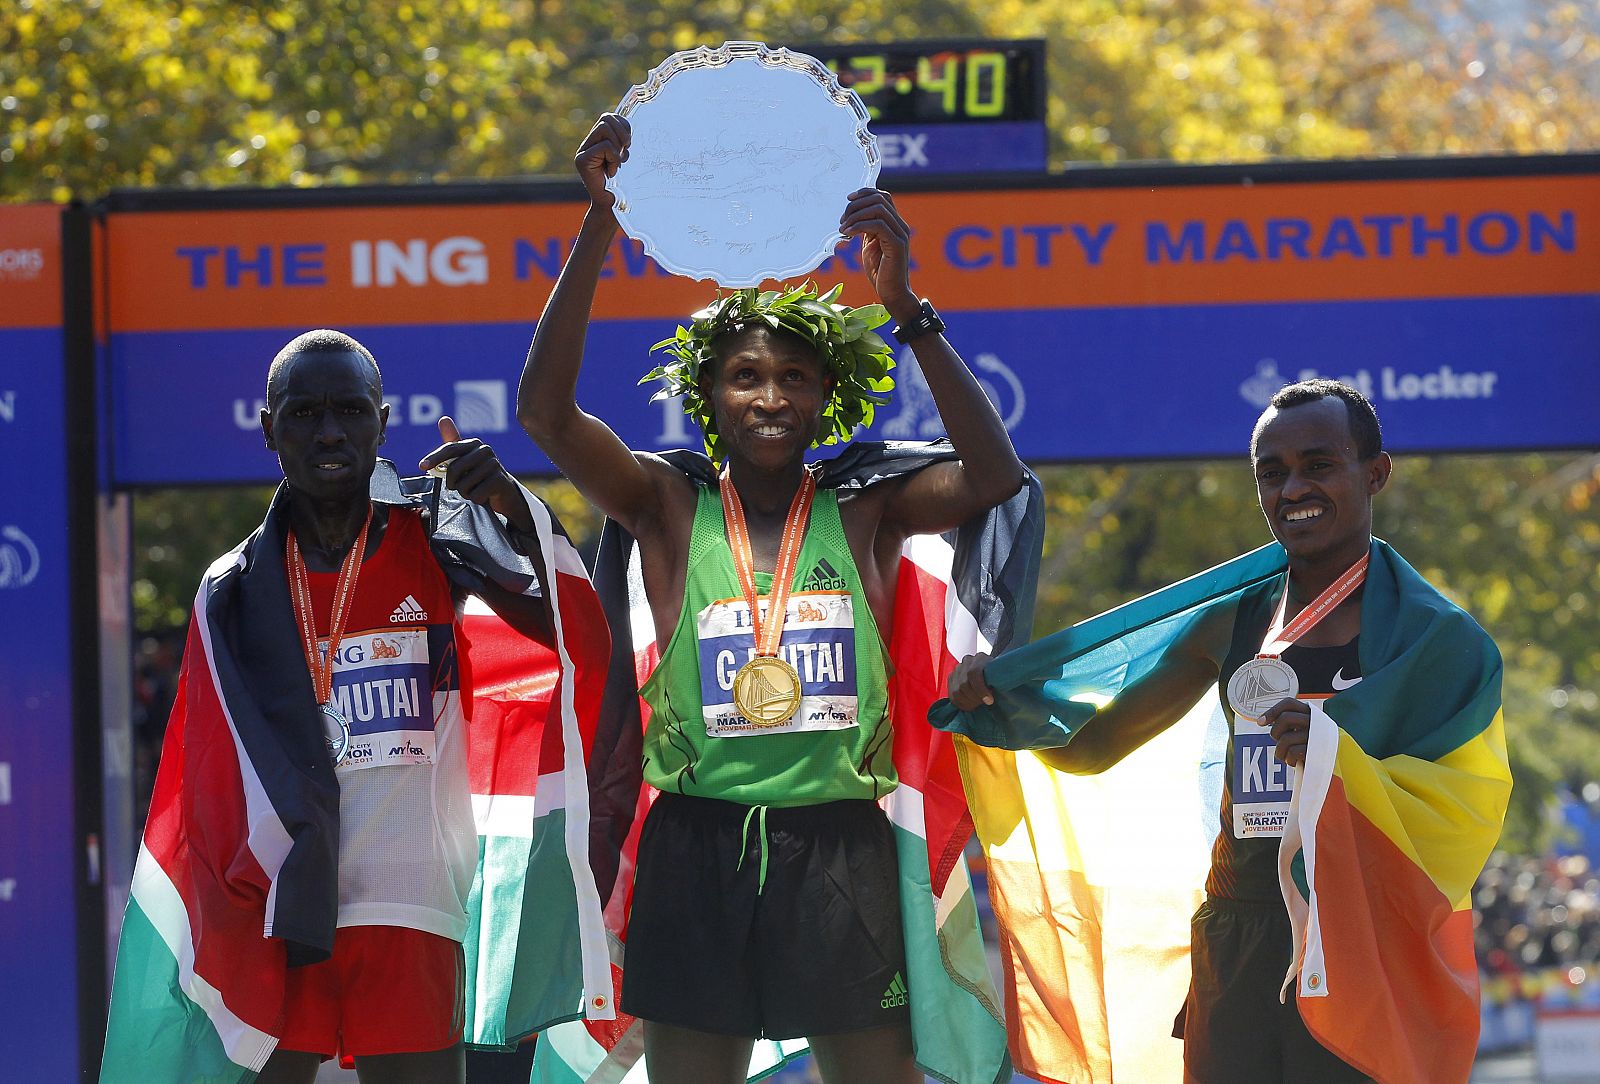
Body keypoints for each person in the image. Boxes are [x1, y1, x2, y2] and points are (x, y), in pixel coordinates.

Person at [517, 113, 1030, 1084]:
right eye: (745, 376)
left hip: (840, 843)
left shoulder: (869, 509)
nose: (769, 398)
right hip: (695, 844)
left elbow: (993, 476)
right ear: (706, 392)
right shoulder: (665, 506)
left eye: (794, 378)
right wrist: (598, 221)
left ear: (824, 397)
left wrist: (905, 304)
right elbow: (544, 411)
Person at [942, 380, 1510, 1084]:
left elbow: (1464, 811)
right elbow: (1092, 747)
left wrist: (1337, 757)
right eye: (1271, 473)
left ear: (1375, 473)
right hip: (1238, 932)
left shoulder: (1440, 641)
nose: (1293, 487)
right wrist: (998, 699)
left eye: (1318, 464)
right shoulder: (1232, 620)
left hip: (1363, 940)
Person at [102, 330, 611, 1084]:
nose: (330, 431)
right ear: (269, 427)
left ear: (382, 419)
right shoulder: (235, 588)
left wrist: (506, 506)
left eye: (349, 410)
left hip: (412, 896)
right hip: (284, 903)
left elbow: (571, 630)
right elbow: (206, 773)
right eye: (305, 414)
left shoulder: (438, 538)